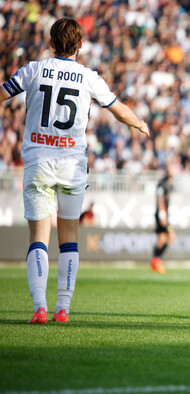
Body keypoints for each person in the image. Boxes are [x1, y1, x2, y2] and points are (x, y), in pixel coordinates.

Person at [0, 18, 150, 324]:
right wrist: (139, 123)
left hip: (39, 161)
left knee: (38, 238)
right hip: (72, 165)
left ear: (51, 42)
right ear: (79, 45)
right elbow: (117, 108)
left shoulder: (34, 69)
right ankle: (63, 309)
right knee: (69, 238)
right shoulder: (87, 76)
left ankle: (40, 307)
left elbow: (3, 93)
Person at [151, 166, 175, 274]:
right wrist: (162, 215)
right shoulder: (162, 184)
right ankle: (157, 260)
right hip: (162, 215)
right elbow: (160, 200)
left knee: (162, 239)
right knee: (171, 236)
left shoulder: (169, 184)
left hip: (164, 215)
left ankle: (156, 261)